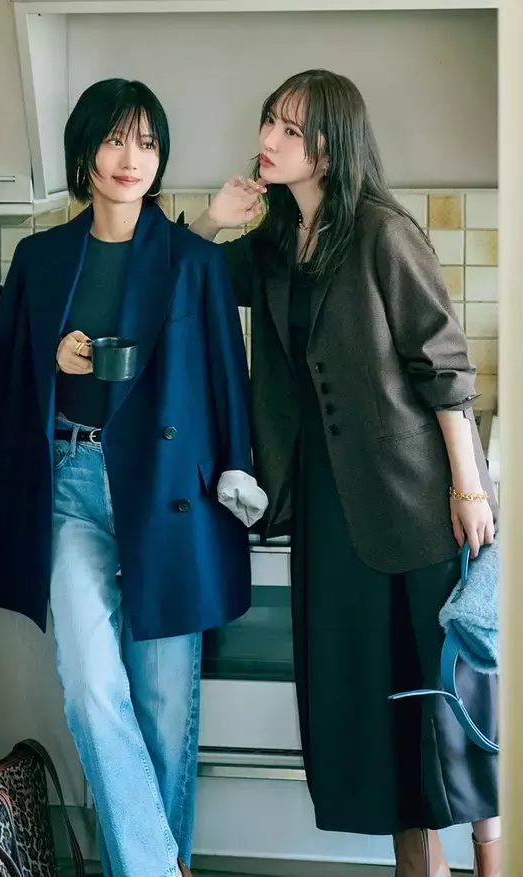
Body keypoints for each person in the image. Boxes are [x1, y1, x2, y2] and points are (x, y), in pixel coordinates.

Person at [189, 69, 500, 877]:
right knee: (367, 694)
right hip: (326, 501)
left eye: (289, 130)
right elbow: (189, 277)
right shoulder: (273, 242)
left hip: (413, 494)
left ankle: (492, 857)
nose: (268, 140)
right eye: (269, 121)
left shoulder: (382, 233)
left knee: (444, 690)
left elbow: (444, 366)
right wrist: (211, 220)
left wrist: (467, 487)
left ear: (328, 148)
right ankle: (417, 865)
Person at [0, 78, 267, 877]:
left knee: (165, 709)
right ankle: (162, 868)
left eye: (146, 142)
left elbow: (224, 373)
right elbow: (6, 381)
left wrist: (238, 467)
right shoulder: (40, 258)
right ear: (84, 153)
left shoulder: (192, 259)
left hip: (167, 492)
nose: (131, 158)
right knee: (92, 685)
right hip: (72, 482)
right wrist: (53, 359)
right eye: (113, 140)